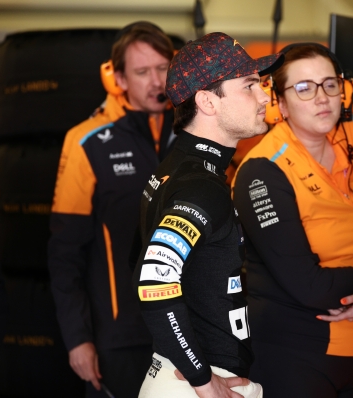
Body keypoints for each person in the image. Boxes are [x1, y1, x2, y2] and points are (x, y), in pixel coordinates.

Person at [232, 43, 353, 398]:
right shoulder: (261, 171)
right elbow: (308, 284)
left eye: (330, 84)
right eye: (303, 88)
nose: (322, 97)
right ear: (278, 102)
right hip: (294, 355)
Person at [133, 32, 283, 398]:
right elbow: (154, 282)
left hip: (181, 372)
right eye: (249, 86)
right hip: (195, 383)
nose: (264, 96)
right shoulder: (200, 184)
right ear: (207, 102)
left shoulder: (182, 166)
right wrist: (201, 377)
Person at [47, 22, 175, 398]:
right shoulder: (87, 142)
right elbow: (64, 253)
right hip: (120, 336)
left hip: (191, 329)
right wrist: (77, 339)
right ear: (117, 77)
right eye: (142, 72)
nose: (156, 81)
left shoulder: (196, 131)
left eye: (163, 68)